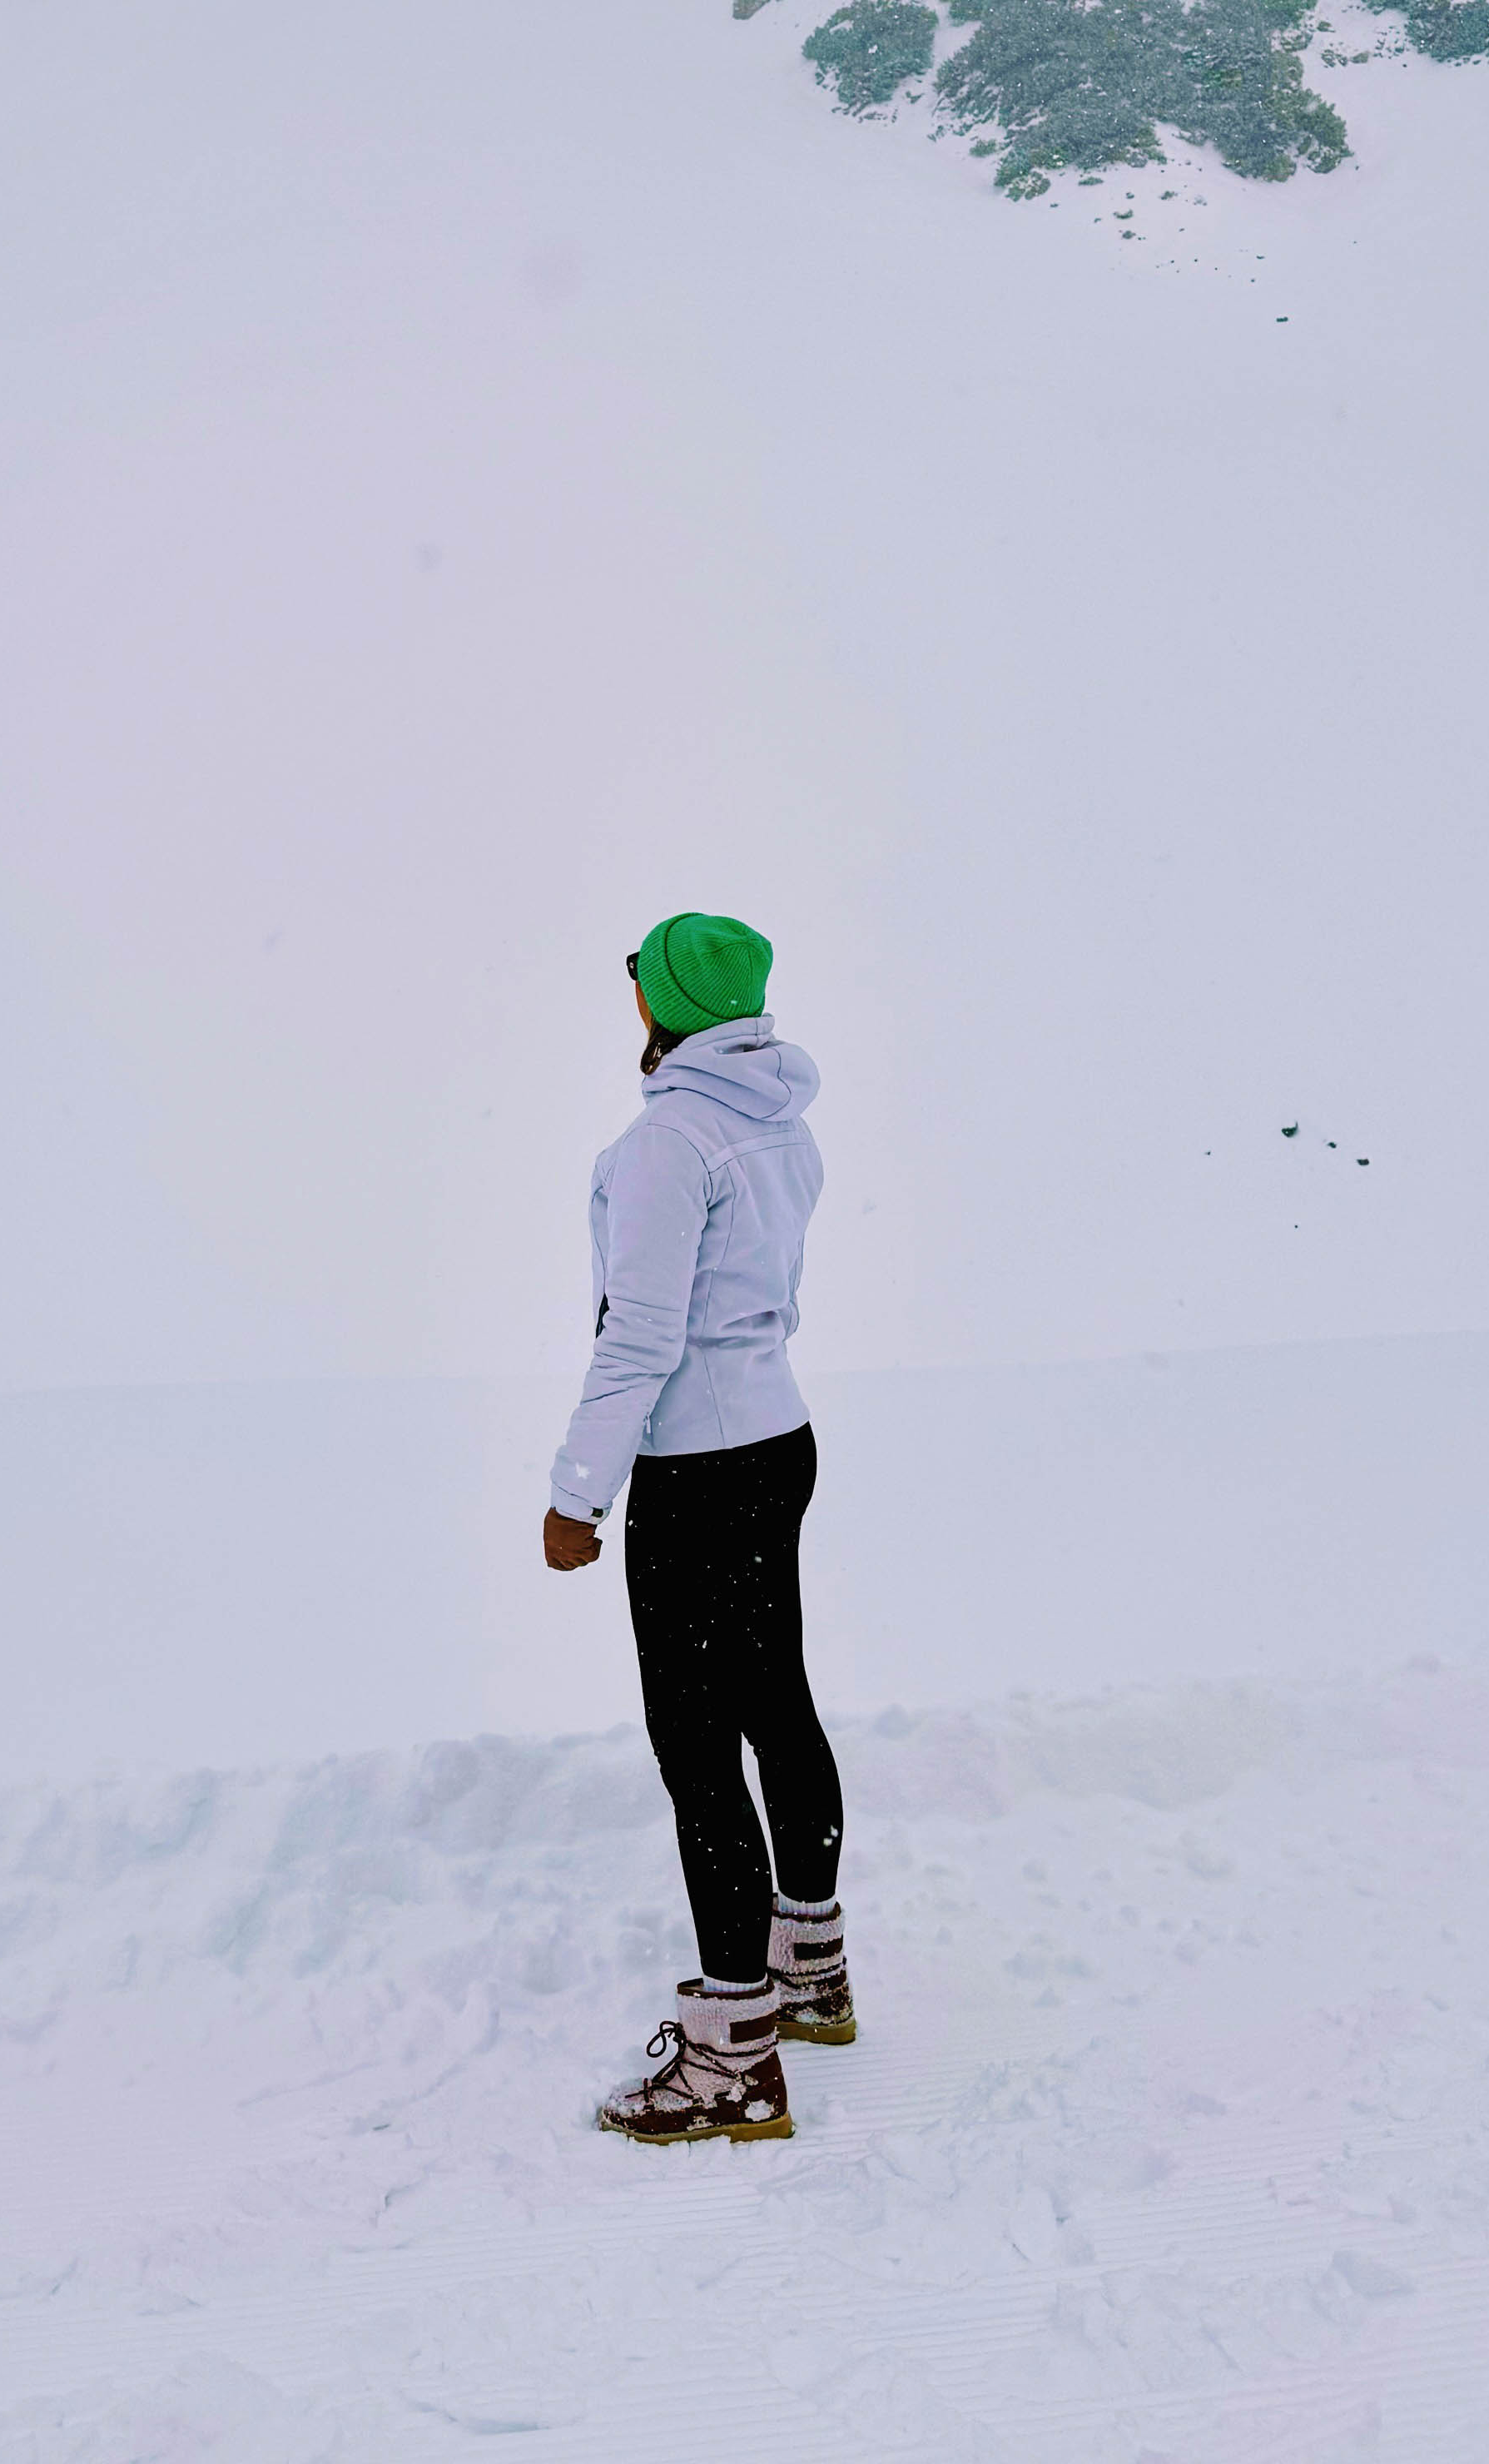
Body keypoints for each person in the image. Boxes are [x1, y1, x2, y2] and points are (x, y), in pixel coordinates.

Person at [543, 910, 851, 2144]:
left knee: (698, 1745)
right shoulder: (781, 1123)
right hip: (778, 1441)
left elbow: (641, 1333)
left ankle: (732, 2051)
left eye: (636, 978)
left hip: (700, 1467)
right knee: (777, 1701)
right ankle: (812, 1971)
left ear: (659, 1001)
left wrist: (579, 1492)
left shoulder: (670, 1142)